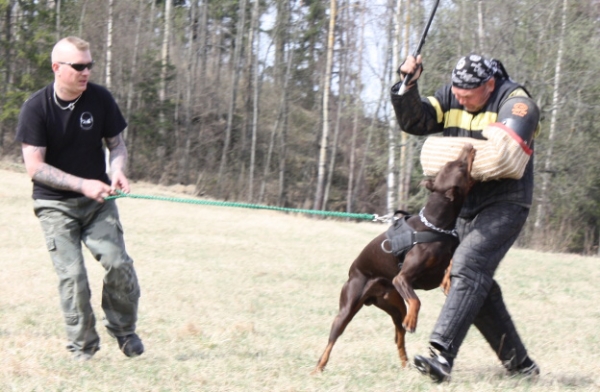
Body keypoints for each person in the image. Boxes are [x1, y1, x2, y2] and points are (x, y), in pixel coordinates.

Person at [390, 53, 540, 382]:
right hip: (464, 204)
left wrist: (441, 152)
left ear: (489, 85)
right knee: (477, 284)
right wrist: (408, 85)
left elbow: (503, 157)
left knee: (467, 265)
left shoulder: (516, 101)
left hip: (505, 202)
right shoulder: (451, 95)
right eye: (455, 93)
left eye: (466, 95)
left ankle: (441, 356)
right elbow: (416, 122)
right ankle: (522, 367)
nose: (458, 98)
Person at [16, 36, 144, 361]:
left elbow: (116, 145)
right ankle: (83, 348)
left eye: (89, 65)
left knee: (118, 264)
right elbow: (35, 167)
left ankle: (124, 331)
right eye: (79, 66)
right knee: (73, 277)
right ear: (57, 68)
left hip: (97, 203)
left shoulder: (100, 98)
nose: (86, 72)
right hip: (54, 205)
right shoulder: (36, 108)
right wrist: (82, 184)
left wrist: (116, 170)